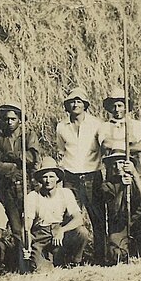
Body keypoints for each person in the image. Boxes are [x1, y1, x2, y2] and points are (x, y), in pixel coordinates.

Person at [54, 86, 105, 262]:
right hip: (71, 177)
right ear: (67, 106)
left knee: (97, 217)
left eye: (79, 101)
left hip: (92, 175)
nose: (75, 104)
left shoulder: (96, 124)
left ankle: (100, 257)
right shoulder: (61, 127)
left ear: (85, 105)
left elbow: (104, 147)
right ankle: (73, 258)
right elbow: (62, 150)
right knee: (70, 217)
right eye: (72, 102)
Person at [0, 101, 40, 250]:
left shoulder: (29, 136)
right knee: (16, 226)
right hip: (9, 188)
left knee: (30, 223)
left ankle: (34, 255)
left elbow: (31, 158)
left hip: (27, 186)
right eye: (6, 119)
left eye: (13, 119)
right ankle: (20, 260)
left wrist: (13, 155)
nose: (9, 122)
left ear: (20, 119)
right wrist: (14, 166)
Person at [23, 157, 92, 271]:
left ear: (57, 178)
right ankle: (48, 260)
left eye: (51, 176)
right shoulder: (33, 196)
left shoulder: (65, 193)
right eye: (45, 176)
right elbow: (27, 226)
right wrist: (27, 245)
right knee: (39, 270)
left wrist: (61, 230)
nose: (48, 180)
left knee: (82, 232)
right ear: (40, 179)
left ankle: (74, 262)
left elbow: (78, 219)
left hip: (59, 231)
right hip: (41, 235)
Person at [97, 146, 141, 263]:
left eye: (122, 162)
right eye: (114, 163)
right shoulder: (107, 185)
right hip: (121, 225)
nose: (117, 167)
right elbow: (114, 211)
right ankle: (130, 250)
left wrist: (135, 176)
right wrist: (122, 188)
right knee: (114, 255)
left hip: (140, 223)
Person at [98, 87, 141, 165]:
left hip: (134, 167)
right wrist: (130, 146)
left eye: (120, 106)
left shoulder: (136, 125)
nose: (117, 109)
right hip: (114, 167)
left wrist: (116, 146)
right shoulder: (105, 126)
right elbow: (105, 145)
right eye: (114, 106)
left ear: (126, 107)